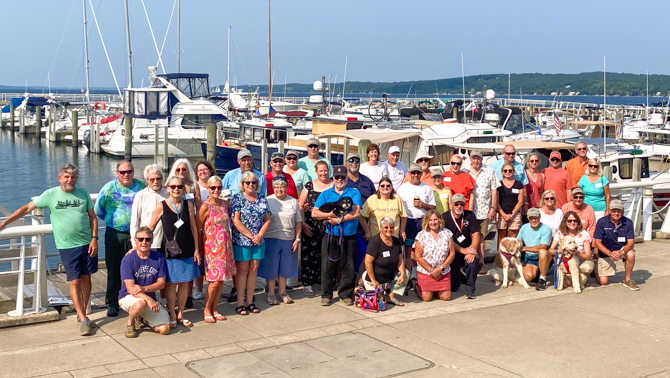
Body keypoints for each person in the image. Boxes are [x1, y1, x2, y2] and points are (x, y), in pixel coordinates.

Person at [0, 164, 98, 336]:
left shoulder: (83, 193)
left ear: (76, 178)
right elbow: (26, 208)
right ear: (59, 178)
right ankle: (83, 318)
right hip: (67, 246)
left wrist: (94, 239)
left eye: (73, 177)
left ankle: (82, 312)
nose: (70, 180)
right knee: (74, 281)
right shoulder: (50, 195)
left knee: (86, 278)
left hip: (87, 243)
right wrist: (4, 223)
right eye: (66, 176)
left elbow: (93, 217)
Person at [147, 176, 201, 328]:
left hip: (187, 249)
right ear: (168, 189)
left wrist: (196, 249)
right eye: (173, 186)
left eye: (179, 186)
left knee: (184, 283)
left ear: (183, 189)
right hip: (170, 251)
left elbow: (193, 227)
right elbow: (151, 227)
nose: (176, 189)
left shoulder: (188, 205)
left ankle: (181, 313)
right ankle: (171, 313)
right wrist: (139, 243)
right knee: (171, 285)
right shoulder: (161, 206)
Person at [95, 160, 147, 317]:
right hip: (115, 234)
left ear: (133, 172)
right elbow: (99, 210)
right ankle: (112, 303)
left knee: (138, 269)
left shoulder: (141, 187)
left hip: (138, 236)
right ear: (117, 173)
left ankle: (138, 301)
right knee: (114, 269)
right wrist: (115, 221)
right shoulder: (109, 188)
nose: (126, 175)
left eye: (129, 171)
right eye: (123, 172)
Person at [312, 165, 362, 306]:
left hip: (350, 235)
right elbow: (314, 213)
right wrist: (330, 215)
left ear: (347, 178)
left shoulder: (354, 192)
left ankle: (345, 293)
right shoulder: (326, 194)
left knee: (349, 266)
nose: (340, 180)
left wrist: (339, 220)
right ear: (333, 178)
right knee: (327, 265)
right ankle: (326, 294)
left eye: (343, 177)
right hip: (330, 235)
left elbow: (356, 212)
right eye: (337, 177)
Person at [230, 171, 272, 314]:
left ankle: (249, 302)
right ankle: (240, 303)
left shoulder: (261, 198)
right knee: (242, 271)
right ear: (243, 184)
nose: (251, 185)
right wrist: (251, 235)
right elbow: (235, 220)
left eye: (253, 182)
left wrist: (259, 235)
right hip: (242, 240)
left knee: (254, 270)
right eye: (248, 182)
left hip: (259, 239)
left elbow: (268, 219)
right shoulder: (237, 198)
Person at [118, 227, 170, 338]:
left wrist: (144, 289)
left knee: (165, 329)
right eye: (140, 239)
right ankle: (131, 323)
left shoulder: (159, 258)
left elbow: (161, 283)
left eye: (147, 239)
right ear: (135, 240)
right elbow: (129, 288)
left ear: (152, 241)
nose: (144, 242)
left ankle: (143, 317)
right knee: (140, 303)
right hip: (128, 296)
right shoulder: (128, 260)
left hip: (146, 296)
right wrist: (148, 299)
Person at [196, 176, 235, 323]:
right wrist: (199, 249)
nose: (216, 190)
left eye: (219, 187)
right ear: (208, 188)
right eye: (213, 188)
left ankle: (215, 307)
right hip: (211, 248)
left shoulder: (225, 204)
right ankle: (207, 308)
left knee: (222, 280)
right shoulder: (205, 206)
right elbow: (198, 228)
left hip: (225, 247)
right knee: (214, 281)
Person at [260, 177, 302, 305]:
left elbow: (298, 222)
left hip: (288, 239)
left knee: (285, 267)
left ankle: (282, 293)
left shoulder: (293, 201)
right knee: (271, 267)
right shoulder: (268, 200)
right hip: (271, 238)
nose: (279, 189)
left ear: (286, 187)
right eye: (277, 186)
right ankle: (271, 294)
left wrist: (297, 239)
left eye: (282, 186)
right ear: (273, 188)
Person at [168, 159, 202, 305]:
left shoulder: (194, 187)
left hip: (190, 226)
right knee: (174, 264)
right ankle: (172, 297)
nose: (181, 172)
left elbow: (199, 208)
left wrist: (199, 228)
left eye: (184, 169)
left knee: (189, 263)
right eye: (178, 169)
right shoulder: (171, 185)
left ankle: (188, 295)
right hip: (174, 231)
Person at [298, 160, 333, 297]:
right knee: (308, 255)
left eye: (325, 170)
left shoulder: (333, 185)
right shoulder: (309, 185)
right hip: (310, 225)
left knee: (326, 254)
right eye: (321, 171)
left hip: (329, 225)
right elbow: (301, 205)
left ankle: (323, 281)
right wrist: (303, 223)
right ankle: (307, 283)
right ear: (316, 171)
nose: (323, 173)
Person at [397, 163, 436, 279]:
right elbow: (399, 208)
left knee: (423, 250)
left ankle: (422, 275)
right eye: (413, 172)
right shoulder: (403, 188)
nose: (415, 175)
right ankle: (408, 276)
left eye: (418, 173)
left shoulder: (427, 187)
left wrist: (423, 205)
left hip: (423, 222)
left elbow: (433, 207)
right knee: (408, 250)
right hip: (408, 222)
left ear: (421, 174)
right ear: (409, 174)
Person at [465, 149, 499, 275]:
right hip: (467, 210)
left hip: (484, 209)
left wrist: (493, 208)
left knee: (480, 236)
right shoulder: (464, 171)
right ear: (470, 159)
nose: (476, 160)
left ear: (482, 159)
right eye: (474, 158)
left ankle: (481, 262)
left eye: (478, 158)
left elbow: (494, 190)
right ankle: (469, 261)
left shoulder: (489, 171)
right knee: (468, 236)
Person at [363, 217, 408, 306]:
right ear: (380, 228)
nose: (389, 229)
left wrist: (402, 275)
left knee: (406, 273)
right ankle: (362, 288)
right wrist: (373, 280)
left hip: (389, 278)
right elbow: (367, 262)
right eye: (386, 227)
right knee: (377, 302)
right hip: (374, 279)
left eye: (391, 227)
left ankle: (391, 296)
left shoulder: (396, 241)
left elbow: (400, 260)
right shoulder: (375, 242)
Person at [594, 199, 638, 290]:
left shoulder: (628, 222)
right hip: (606, 250)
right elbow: (597, 242)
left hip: (621, 249)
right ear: (609, 210)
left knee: (631, 254)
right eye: (614, 210)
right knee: (603, 282)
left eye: (619, 211)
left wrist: (621, 252)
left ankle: (627, 280)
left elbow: (631, 243)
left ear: (622, 211)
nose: (616, 213)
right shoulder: (601, 222)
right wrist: (610, 253)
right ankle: (595, 268)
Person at [442, 194, 480, 299]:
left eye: (461, 204)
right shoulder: (444, 217)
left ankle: (470, 290)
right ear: (451, 205)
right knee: (454, 287)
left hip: (467, 252)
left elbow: (476, 234)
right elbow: (447, 239)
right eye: (456, 204)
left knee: (472, 262)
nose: (459, 206)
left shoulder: (470, 215)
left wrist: (472, 249)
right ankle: (461, 277)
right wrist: (463, 250)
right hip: (452, 253)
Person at [414, 210, 455, 302]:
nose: (433, 222)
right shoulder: (421, 235)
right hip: (426, 271)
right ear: (427, 222)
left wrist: (441, 268)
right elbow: (418, 256)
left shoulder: (447, 233)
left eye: (435, 219)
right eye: (430, 220)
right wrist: (432, 271)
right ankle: (418, 287)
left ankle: (435, 291)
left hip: (443, 271)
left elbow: (452, 253)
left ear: (439, 220)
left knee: (446, 297)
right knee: (427, 298)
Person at [548, 212, 594, 285]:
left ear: (578, 222)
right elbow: (550, 250)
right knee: (568, 282)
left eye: (575, 220)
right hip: (565, 261)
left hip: (581, 261)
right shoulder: (560, 233)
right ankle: (570, 279)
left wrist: (576, 254)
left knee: (587, 267)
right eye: (569, 221)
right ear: (565, 222)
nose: (572, 223)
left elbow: (588, 256)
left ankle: (581, 276)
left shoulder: (584, 233)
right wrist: (561, 251)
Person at [130, 164, 167, 251]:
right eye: (152, 179)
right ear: (146, 180)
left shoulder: (168, 194)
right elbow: (134, 222)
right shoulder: (141, 195)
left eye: (158, 178)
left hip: (167, 242)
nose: (155, 182)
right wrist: (135, 243)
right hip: (149, 243)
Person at [516, 208, 553, 288]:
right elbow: (517, 242)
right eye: (531, 218)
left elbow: (543, 247)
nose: (534, 220)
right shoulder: (524, 227)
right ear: (528, 218)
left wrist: (525, 248)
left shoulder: (546, 229)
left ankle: (543, 279)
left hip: (544, 257)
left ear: (539, 217)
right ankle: (536, 274)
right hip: (530, 258)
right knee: (528, 276)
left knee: (542, 252)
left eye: (536, 218)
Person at [495, 163, 525, 245]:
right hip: (501, 214)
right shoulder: (498, 184)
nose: (507, 172)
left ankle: (512, 257)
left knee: (513, 238)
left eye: (510, 170)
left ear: (513, 171)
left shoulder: (519, 184)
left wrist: (512, 214)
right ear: (502, 172)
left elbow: (521, 201)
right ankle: (500, 257)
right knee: (501, 239)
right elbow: (496, 202)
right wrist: (504, 215)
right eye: (505, 170)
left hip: (514, 214)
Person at [579, 157, 610, 221]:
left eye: (595, 166)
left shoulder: (603, 178)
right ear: (588, 166)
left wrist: (608, 210)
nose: (593, 168)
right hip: (586, 208)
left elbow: (607, 196)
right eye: (591, 166)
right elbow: (579, 194)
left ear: (598, 167)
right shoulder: (583, 178)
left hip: (600, 210)